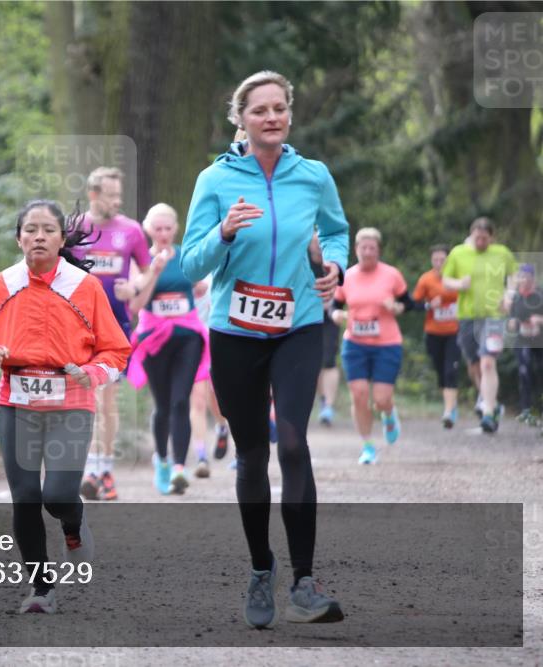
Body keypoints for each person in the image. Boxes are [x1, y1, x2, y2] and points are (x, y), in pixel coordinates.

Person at [180, 70, 348, 628]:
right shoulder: (215, 180)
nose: (271, 117)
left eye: (280, 108)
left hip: (299, 325)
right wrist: (224, 231)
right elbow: (190, 263)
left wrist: (336, 268)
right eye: (260, 110)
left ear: (290, 115)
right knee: (253, 455)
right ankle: (261, 570)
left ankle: (304, 579)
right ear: (241, 118)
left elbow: (338, 232)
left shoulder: (314, 176)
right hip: (233, 331)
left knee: (295, 441)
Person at [0, 200, 131, 614]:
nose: (39, 236)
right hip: (16, 403)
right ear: (18, 237)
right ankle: (42, 589)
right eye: (31, 229)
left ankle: (72, 525)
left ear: (61, 239)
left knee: (57, 495)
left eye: (48, 230)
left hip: (70, 403)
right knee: (24, 498)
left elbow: (116, 351)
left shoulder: (84, 287)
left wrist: (90, 374)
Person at [72, 167, 152, 501]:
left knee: (106, 400)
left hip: (115, 327)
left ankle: (102, 470)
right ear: (93, 195)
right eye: (111, 195)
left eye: (120, 195)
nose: (117, 201)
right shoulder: (75, 228)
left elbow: (147, 273)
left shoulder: (131, 231)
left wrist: (133, 286)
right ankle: (92, 467)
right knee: (86, 399)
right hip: (77, 327)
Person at [125, 203, 210, 494]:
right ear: (148, 229)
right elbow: (135, 301)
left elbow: (200, 284)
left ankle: (179, 469)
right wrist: (155, 272)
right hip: (153, 336)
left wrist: (199, 287)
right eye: (157, 229)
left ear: (175, 229)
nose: (162, 234)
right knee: (162, 405)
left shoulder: (186, 255)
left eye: (167, 228)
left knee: (180, 401)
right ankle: (161, 461)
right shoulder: (141, 261)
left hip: (187, 335)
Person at [331, 228, 414, 464]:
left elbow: (408, 303)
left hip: (387, 343)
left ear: (378, 250)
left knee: (381, 398)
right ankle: (368, 446)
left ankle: (388, 413)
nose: (367, 252)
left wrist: (397, 308)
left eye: (372, 248)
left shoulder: (391, 275)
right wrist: (337, 314)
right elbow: (333, 305)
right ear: (356, 250)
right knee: (358, 394)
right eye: (363, 248)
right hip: (354, 343)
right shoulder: (346, 276)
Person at [442, 217, 519, 433]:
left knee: (487, 363)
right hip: (467, 316)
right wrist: (459, 284)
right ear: (471, 235)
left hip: (493, 316)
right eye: (477, 238)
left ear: (492, 238)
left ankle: (487, 412)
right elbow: (446, 281)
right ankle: (491, 403)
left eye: (485, 238)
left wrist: (509, 295)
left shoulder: (502, 253)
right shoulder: (458, 253)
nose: (481, 242)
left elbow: (514, 276)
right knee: (474, 366)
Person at [412, 244, 461, 428]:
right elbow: (414, 304)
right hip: (433, 333)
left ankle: (448, 412)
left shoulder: (457, 278)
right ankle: (451, 404)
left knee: (451, 371)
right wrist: (429, 305)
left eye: (443, 259)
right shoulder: (426, 279)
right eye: (436, 260)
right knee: (441, 371)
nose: (439, 263)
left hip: (455, 332)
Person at [190, 273, 231, 477]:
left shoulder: (217, 277)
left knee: (216, 397)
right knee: (197, 401)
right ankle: (201, 457)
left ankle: (222, 426)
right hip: (191, 345)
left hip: (216, 343)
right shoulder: (176, 279)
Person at [504, 263, 543, 421]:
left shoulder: (540, 294)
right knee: (524, 371)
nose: (523, 280)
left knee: (540, 372)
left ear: (532, 278)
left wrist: (539, 320)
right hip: (522, 340)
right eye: (521, 277)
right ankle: (526, 409)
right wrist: (512, 323)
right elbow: (509, 320)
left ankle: (539, 409)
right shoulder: (515, 297)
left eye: (526, 276)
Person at [311, 234, 341, 426]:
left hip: (329, 318)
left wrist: (332, 302)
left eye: (322, 243)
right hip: (303, 317)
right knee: (313, 363)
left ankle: (328, 406)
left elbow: (345, 285)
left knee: (328, 360)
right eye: (316, 243)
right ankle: (321, 400)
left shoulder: (333, 261)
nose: (319, 247)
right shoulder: (300, 259)